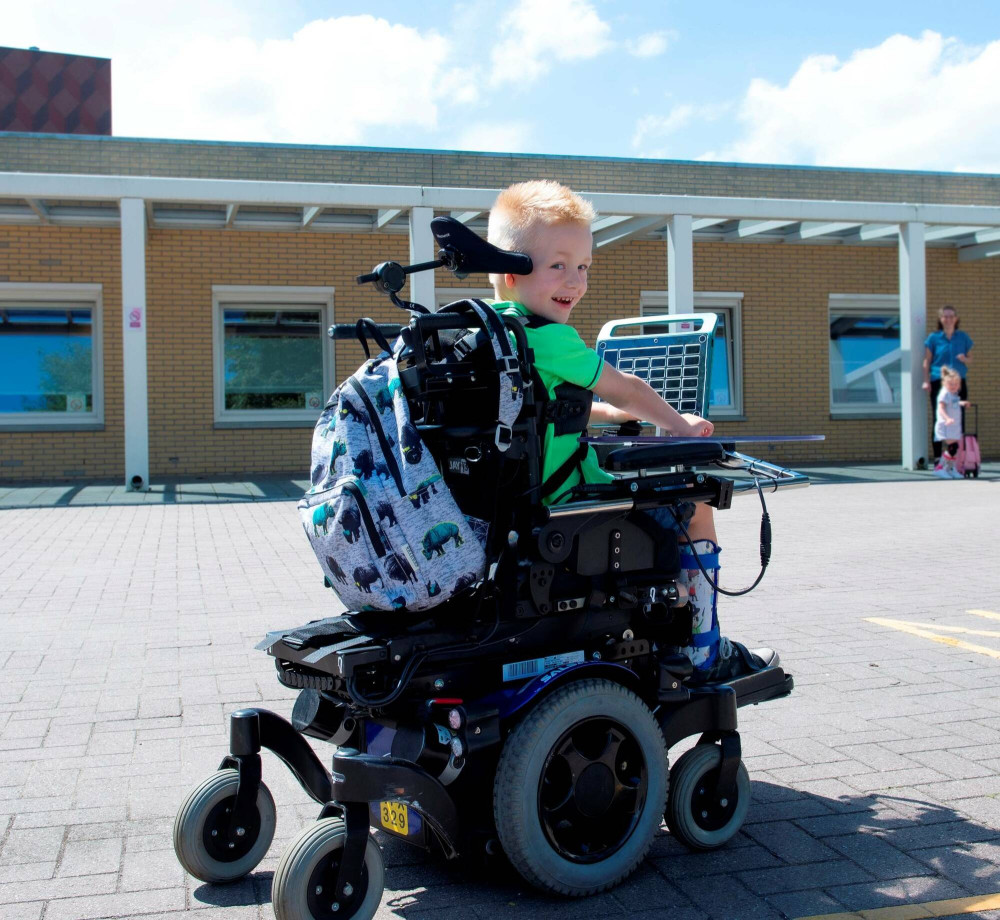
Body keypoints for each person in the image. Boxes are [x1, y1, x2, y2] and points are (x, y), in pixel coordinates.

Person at [487, 179, 775, 683]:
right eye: (558, 265)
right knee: (697, 500)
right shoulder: (551, 337)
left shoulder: (491, 333)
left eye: (583, 267)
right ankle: (705, 651)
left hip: (508, 503)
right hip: (567, 502)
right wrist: (679, 424)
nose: (575, 281)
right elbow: (630, 388)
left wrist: (606, 417)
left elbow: (540, 408)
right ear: (507, 272)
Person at [923, 305, 973, 466]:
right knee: (940, 418)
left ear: (956, 319)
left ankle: (956, 458)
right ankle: (938, 458)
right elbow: (927, 361)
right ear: (940, 319)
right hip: (939, 381)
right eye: (945, 316)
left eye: (951, 316)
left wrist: (964, 359)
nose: (949, 319)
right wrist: (926, 380)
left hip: (958, 383)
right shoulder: (933, 338)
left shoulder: (963, 337)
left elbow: (970, 359)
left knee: (959, 420)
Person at [933, 366, 969, 480]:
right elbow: (941, 408)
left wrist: (962, 403)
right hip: (946, 425)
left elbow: (954, 403)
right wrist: (947, 418)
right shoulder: (944, 393)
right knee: (953, 447)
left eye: (956, 384)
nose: (954, 386)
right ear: (944, 383)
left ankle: (950, 469)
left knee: (954, 447)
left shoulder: (953, 394)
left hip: (953, 426)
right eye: (951, 384)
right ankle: (940, 468)